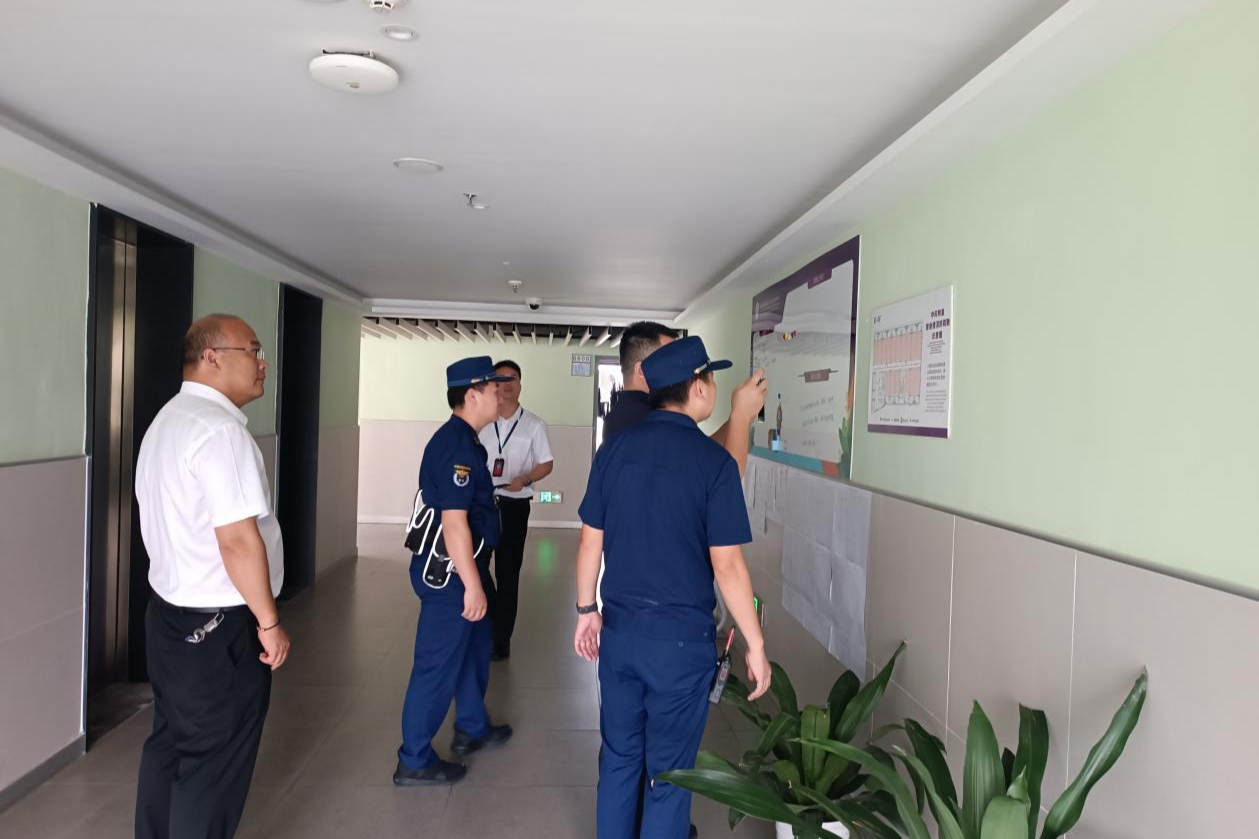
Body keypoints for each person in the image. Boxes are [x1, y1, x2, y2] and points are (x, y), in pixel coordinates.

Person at [574, 336, 772, 839]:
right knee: (669, 775)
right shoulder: (713, 464)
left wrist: (586, 610)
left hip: (620, 635)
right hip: (680, 648)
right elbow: (727, 566)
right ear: (698, 388)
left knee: (619, 759)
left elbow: (590, 540)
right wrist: (755, 642)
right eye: (711, 379)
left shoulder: (613, 450)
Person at [133, 314, 290, 839]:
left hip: (169, 618)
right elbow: (237, 541)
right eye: (253, 350)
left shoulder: (167, 420)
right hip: (218, 627)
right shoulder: (221, 432)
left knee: (170, 744)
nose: (263, 362)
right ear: (212, 357)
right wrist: (269, 622)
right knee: (212, 764)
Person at [394, 356, 515, 786]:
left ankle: (471, 726)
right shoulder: (457, 448)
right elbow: (453, 522)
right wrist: (472, 586)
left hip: (466, 566)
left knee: (475, 645)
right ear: (471, 395)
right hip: (450, 574)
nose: (501, 394)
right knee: (436, 664)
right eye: (494, 387)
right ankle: (414, 758)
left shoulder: (466, 441)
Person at [602, 321, 767, 474]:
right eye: (667, 355)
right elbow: (725, 477)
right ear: (642, 371)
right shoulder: (640, 418)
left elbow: (699, 452)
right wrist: (741, 417)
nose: (677, 361)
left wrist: (739, 417)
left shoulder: (632, 413)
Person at [477, 360, 555, 660]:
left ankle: (501, 641)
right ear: (492, 384)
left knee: (508, 573)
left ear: (520, 384)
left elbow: (546, 463)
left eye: (513, 379)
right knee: (477, 566)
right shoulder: (482, 421)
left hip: (515, 505)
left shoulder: (534, 424)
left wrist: (526, 478)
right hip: (483, 503)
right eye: (501, 379)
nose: (507, 384)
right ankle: (490, 620)